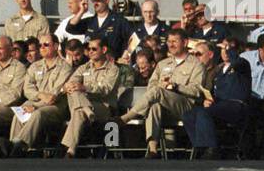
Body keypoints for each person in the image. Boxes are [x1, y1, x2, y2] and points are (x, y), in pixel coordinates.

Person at [119, 28, 202, 157]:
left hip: (185, 106)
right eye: (169, 41)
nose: (171, 44)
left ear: (185, 43)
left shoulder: (196, 64)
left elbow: (197, 91)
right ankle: (152, 149)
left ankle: (127, 117)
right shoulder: (163, 64)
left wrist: (175, 86)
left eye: (175, 41)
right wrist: (161, 85)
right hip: (165, 107)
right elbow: (151, 85)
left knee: (158, 92)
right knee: (154, 106)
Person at [60, 33, 131, 158]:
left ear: (103, 50)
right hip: (87, 107)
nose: (90, 52)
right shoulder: (84, 67)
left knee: (78, 106)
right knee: (75, 94)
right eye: (88, 49)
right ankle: (71, 150)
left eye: (94, 49)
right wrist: (70, 86)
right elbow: (71, 82)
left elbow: (106, 89)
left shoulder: (113, 69)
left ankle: (68, 149)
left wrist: (84, 87)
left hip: (103, 107)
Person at [8, 32, 72, 156]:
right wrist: (40, 95)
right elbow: (27, 88)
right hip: (35, 101)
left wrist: (36, 106)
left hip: (56, 107)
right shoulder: (34, 66)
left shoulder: (65, 68)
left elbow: (54, 95)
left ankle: (20, 145)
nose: (42, 47)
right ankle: (13, 147)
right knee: (20, 112)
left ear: (55, 46)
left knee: (37, 114)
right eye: (40, 45)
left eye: (46, 44)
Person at [185, 39, 251, 158]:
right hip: (219, 104)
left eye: (228, 49)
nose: (225, 52)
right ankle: (200, 146)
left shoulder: (242, 64)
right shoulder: (219, 70)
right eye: (222, 49)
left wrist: (229, 50)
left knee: (204, 113)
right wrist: (207, 100)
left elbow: (236, 62)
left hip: (236, 105)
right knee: (189, 114)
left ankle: (211, 149)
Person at [65, 0, 129, 60]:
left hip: (112, 64)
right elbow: (70, 28)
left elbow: (132, 39)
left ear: (106, 0)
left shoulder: (119, 21)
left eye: (98, 0)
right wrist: (81, 11)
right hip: (92, 64)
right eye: (93, 1)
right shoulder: (90, 22)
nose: (95, 3)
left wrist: (125, 56)